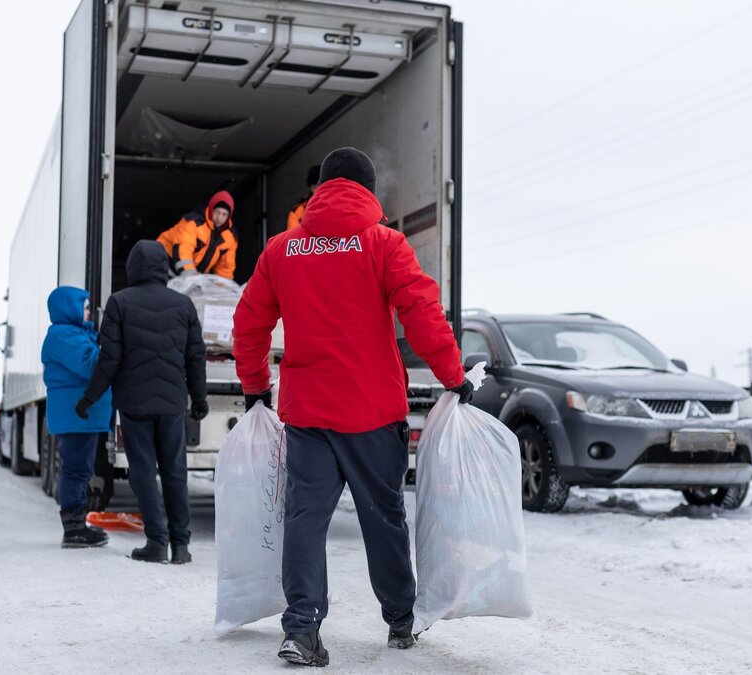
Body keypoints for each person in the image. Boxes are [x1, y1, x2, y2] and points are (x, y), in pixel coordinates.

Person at [233, 147, 473, 667]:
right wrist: (454, 376)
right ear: (368, 191)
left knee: (304, 519)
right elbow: (422, 315)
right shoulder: (384, 243)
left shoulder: (283, 250)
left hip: (308, 416)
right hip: (372, 412)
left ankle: (301, 629)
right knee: (383, 517)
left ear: (319, 189)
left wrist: (255, 386)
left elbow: (248, 324)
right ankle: (400, 620)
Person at [76, 240, 208, 564]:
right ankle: (181, 545)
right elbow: (196, 356)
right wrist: (199, 397)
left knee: (144, 472)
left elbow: (109, 359)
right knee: (175, 471)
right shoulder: (183, 304)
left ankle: (156, 542)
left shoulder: (120, 303)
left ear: (134, 266)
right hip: (172, 402)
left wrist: (90, 398)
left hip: (134, 404)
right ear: (163, 267)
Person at [40, 286, 113, 549]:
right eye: (83, 307)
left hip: (80, 416)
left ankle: (77, 524)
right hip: (76, 416)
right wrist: (114, 343)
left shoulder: (74, 334)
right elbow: (92, 365)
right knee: (76, 470)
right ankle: (73, 529)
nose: (88, 312)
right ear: (68, 309)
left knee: (80, 469)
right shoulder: (64, 336)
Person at [156, 190, 238, 279]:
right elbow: (183, 250)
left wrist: (223, 288)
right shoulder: (193, 223)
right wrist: (191, 277)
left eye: (224, 214)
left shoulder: (230, 237)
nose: (219, 218)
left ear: (229, 216)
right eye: (217, 212)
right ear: (211, 209)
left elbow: (225, 269)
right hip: (163, 266)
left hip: (189, 276)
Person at [285, 165, 321, 230]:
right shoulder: (298, 211)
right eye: (314, 187)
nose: (318, 190)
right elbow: (293, 238)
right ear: (310, 187)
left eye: (321, 186)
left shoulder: (340, 204)